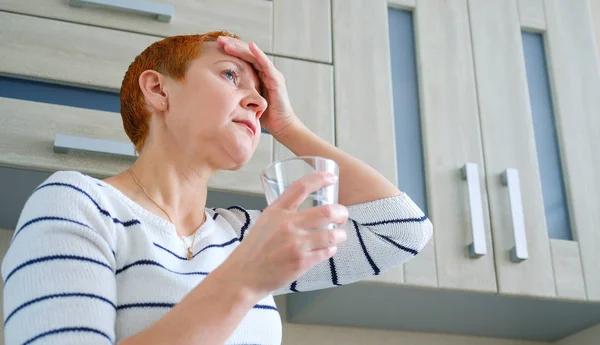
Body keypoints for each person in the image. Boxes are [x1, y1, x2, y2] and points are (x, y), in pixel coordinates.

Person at [1, 31, 433, 345]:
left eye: (262, 96)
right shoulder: (78, 202)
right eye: (230, 76)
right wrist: (243, 281)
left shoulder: (242, 237)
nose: (259, 102)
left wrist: (288, 125)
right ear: (157, 89)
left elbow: (401, 231)